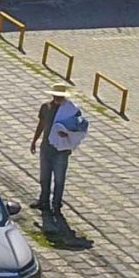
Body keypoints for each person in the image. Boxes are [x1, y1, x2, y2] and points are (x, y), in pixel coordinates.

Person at [30, 82, 89, 220]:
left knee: (59, 179)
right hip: (46, 147)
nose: (58, 99)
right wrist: (34, 140)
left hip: (61, 150)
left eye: (60, 97)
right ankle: (43, 200)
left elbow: (80, 127)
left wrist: (68, 133)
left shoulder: (72, 110)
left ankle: (56, 204)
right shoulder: (45, 107)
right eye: (56, 96)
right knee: (44, 177)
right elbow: (41, 124)